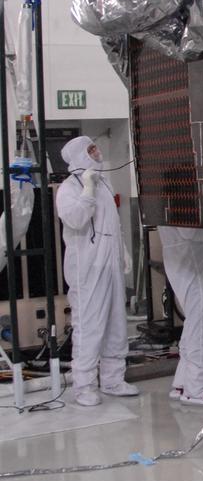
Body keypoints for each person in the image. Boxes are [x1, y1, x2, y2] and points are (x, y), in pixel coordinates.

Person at [56, 136, 138, 407]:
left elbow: (113, 223)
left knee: (116, 323)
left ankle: (113, 379)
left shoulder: (103, 183)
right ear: (80, 155)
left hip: (110, 263)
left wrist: (123, 250)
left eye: (96, 148)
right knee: (89, 327)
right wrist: (87, 189)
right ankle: (84, 386)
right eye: (91, 150)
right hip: (87, 269)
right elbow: (76, 220)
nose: (98, 152)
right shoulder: (69, 188)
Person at [159, 226, 203, 407]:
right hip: (194, 255)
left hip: (186, 253)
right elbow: (189, 229)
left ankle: (184, 381)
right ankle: (198, 389)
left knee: (195, 318)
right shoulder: (180, 196)